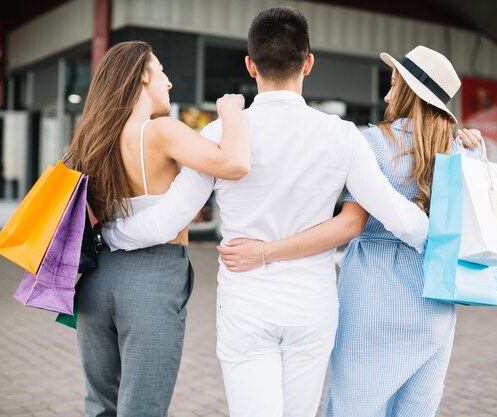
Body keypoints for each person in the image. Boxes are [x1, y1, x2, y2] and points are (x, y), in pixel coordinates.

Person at [101, 8, 429, 417]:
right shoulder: (341, 135)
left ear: (250, 65)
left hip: (245, 303)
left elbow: (168, 219)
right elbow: (402, 220)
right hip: (312, 303)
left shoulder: (220, 133)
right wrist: (454, 219)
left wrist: (110, 235)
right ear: (308, 62)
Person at [218, 46, 482, 416]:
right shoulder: (461, 150)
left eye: (393, 85)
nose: (387, 95)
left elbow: (350, 221)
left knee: (354, 404)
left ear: (407, 91)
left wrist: (265, 250)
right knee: (416, 407)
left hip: (374, 288)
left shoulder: (371, 142)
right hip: (435, 293)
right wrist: (477, 155)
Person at [65, 41, 249, 417]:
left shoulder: (90, 140)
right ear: (144, 74)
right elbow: (234, 163)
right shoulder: (160, 131)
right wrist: (231, 111)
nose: (168, 83)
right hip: (153, 276)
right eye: (162, 71)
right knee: (143, 406)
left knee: (100, 405)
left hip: (95, 279)